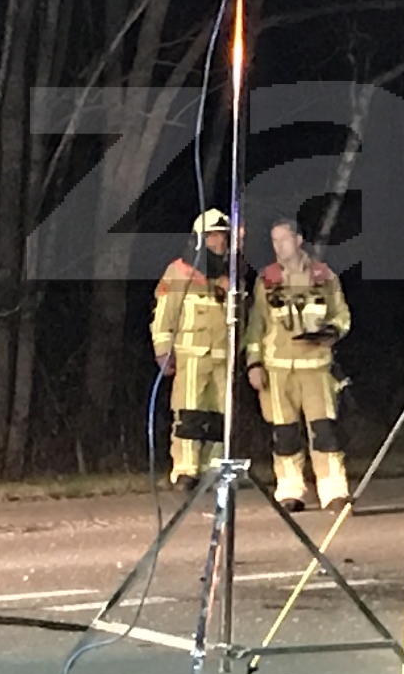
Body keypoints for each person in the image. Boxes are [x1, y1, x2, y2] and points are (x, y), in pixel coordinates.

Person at [251, 218, 354, 508]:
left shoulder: (323, 276)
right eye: (274, 241)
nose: (278, 246)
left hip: (316, 367)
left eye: (283, 239)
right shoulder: (267, 279)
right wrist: (253, 363)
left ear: (298, 240)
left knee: (324, 431)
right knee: (284, 434)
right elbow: (255, 327)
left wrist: (331, 332)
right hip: (277, 369)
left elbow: (341, 314)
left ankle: (333, 490)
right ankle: (290, 491)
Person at [149, 207, 244, 484]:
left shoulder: (232, 275)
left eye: (223, 237)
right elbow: (164, 313)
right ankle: (185, 470)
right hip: (190, 357)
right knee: (189, 413)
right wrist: (163, 351)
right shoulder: (180, 271)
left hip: (223, 359)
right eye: (213, 236)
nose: (220, 242)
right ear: (200, 239)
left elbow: (243, 317)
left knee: (220, 416)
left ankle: (213, 467)